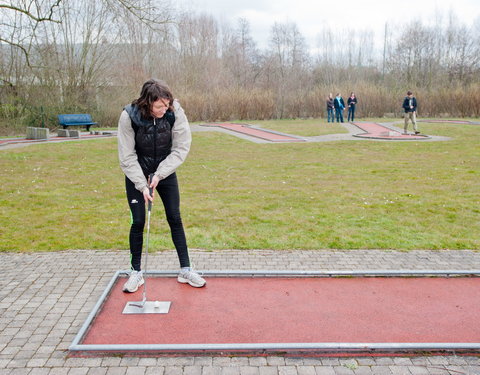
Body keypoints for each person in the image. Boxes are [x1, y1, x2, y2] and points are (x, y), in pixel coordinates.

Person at [117, 79, 206, 292]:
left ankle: (186, 269)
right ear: (147, 104)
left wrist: (159, 175)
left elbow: (181, 148)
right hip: (137, 173)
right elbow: (126, 156)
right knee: (138, 221)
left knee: (174, 217)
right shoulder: (128, 116)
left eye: (166, 105)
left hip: (165, 172)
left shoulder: (175, 112)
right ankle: (135, 272)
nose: (164, 110)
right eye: (159, 106)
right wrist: (142, 184)